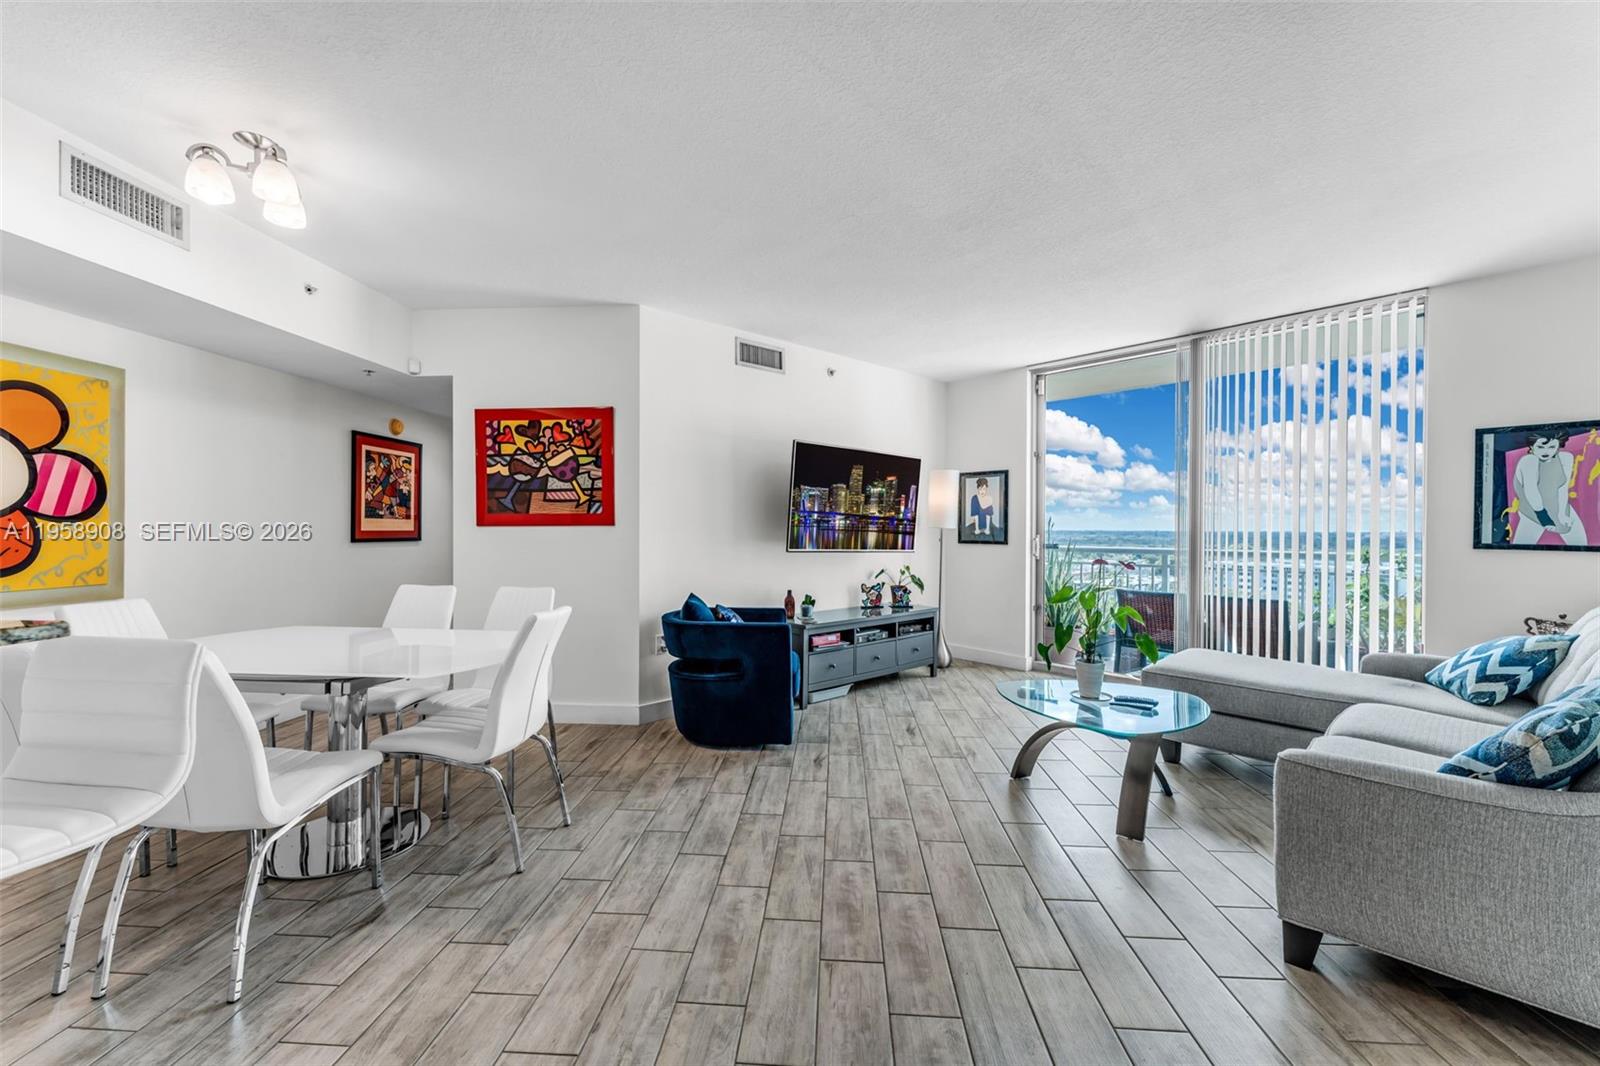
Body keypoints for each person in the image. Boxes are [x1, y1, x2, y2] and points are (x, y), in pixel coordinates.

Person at [1511, 432, 1586, 546]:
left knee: (1582, 544)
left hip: (1558, 507)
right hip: (1533, 512)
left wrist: (1561, 514)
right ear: (1531, 447)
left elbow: (1562, 488)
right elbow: (1531, 491)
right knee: (1518, 551)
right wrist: (1545, 519)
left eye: (1551, 447)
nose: (1546, 451)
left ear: (1558, 447)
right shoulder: (1528, 461)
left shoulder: (1566, 458)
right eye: (1540, 447)